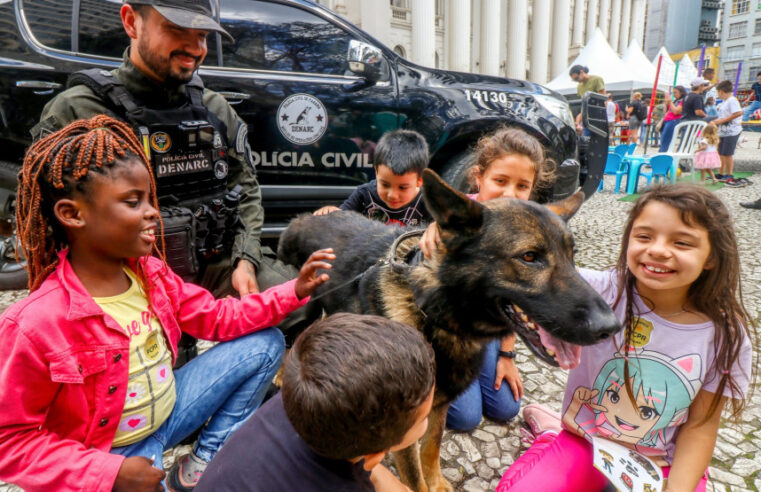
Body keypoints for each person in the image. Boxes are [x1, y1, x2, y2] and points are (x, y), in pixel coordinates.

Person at [0, 115, 334, 492]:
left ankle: (200, 464)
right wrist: (109, 475)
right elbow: (10, 442)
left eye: (148, 198)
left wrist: (293, 291)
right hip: (111, 455)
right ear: (72, 214)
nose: (152, 211)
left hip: (169, 414)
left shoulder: (150, 274)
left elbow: (218, 318)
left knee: (265, 344)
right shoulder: (33, 323)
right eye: (133, 201)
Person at [496, 184, 754, 492]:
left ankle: (550, 429)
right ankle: (551, 437)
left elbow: (701, 425)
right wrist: (439, 237)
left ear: (712, 256)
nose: (658, 249)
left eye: (682, 242)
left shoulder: (726, 336)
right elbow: (516, 271)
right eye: (644, 236)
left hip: (663, 461)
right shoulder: (598, 291)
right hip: (586, 443)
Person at [30, 0, 288, 302]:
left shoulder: (215, 108)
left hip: (215, 261)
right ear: (131, 22)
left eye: (202, 36)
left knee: (289, 298)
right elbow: (41, 216)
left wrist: (246, 258)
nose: (194, 48)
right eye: (176, 29)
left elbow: (245, 190)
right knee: (154, 348)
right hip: (124, 272)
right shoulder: (77, 110)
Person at [196, 313, 436, 491]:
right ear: (374, 455)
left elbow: (371, 470)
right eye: (424, 418)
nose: (429, 416)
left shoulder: (304, 401)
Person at [418, 127, 555, 431]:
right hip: (448, 333)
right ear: (478, 177)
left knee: (506, 408)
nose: (510, 194)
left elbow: (516, 297)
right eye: (500, 181)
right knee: (466, 418)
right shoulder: (457, 218)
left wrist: (507, 354)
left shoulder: (528, 226)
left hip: (487, 327)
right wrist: (434, 226)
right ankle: (429, 381)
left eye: (522, 186)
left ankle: (487, 360)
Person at [314, 129, 431, 227]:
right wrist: (331, 211)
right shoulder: (364, 193)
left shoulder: (427, 201)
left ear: (419, 181)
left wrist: (435, 228)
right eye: (385, 185)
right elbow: (343, 216)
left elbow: (443, 226)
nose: (392, 195)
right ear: (376, 172)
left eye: (403, 187)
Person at [713, 80, 745, 187]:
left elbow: (738, 113)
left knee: (727, 153)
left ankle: (729, 174)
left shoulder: (732, 100)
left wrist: (722, 121)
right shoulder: (724, 102)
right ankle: (721, 173)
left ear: (721, 91)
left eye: (718, 92)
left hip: (732, 131)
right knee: (721, 152)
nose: (718, 95)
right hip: (723, 132)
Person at [570, 65, 606, 136]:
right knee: (584, 138)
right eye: (574, 80)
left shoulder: (596, 79)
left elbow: (603, 99)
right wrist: (577, 123)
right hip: (586, 117)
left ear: (582, 72)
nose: (577, 81)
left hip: (598, 116)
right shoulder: (579, 87)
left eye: (576, 78)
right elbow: (583, 107)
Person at [659, 86, 686, 152]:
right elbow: (666, 112)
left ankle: (662, 156)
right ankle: (662, 155)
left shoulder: (683, 101)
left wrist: (670, 102)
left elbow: (676, 111)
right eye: (673, 93)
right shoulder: (675, 101)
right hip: (667, 121)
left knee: (666, 141)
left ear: (681, 93)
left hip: (673, 121)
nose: (674, 95)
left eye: (675, 93)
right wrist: (666, 104)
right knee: (663, 140)